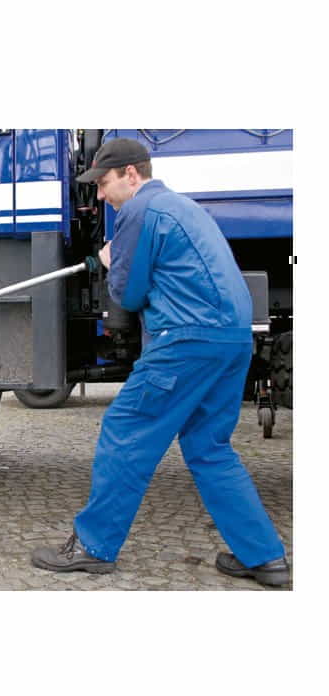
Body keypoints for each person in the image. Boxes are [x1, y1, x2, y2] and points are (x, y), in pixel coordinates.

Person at [31, 138, 290, 586]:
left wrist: (110, 259)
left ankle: (93, 546)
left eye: (104, 183)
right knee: (209, 448)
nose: (100, 195)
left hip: (186, 341)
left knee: (125, 430)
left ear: (131, 174)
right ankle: (264, 556)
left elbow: (128, 295)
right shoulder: (184, 207)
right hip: (232, 339)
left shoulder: (139, 211)